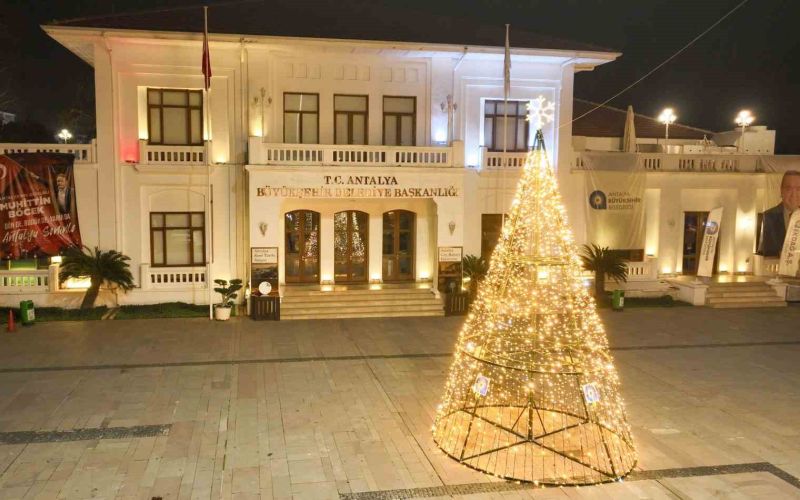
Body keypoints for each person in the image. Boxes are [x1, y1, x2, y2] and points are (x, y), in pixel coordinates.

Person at [759, 170, 800, 256]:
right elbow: (766, 253)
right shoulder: (768, 217)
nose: (794, 194)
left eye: (798, 189)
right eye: (788, 189)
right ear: (781, 191)